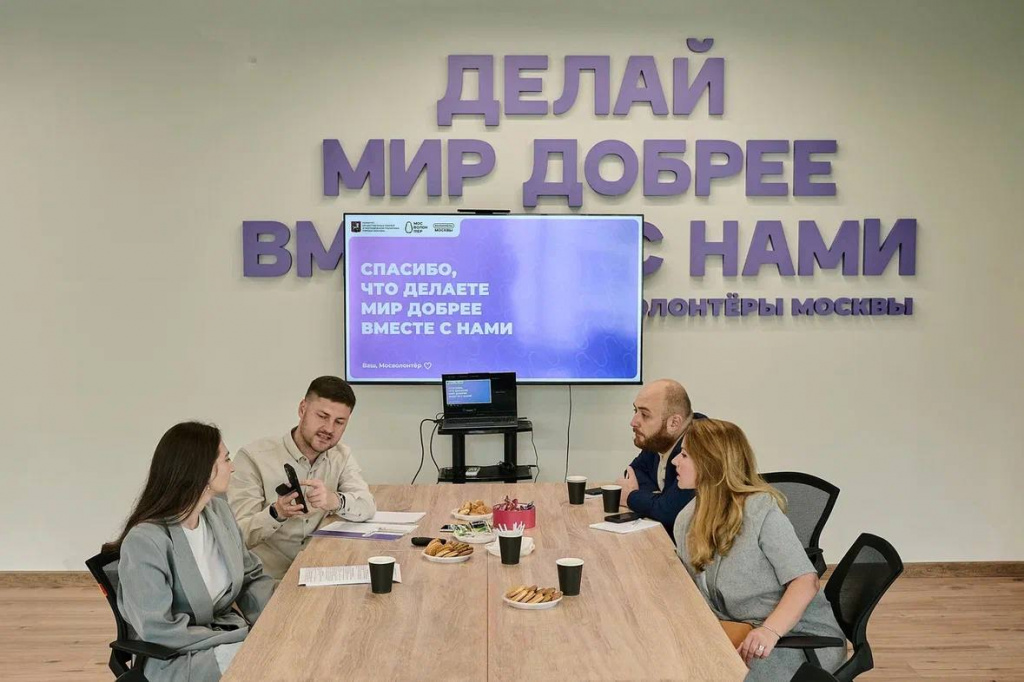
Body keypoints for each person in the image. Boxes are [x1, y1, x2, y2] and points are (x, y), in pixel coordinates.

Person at [672, 419, 846, 680]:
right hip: (737, 631)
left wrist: (769, 631)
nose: (675, 461)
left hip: (793, 638)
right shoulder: (687, 519)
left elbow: (805, 581)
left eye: (685, 455)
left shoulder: (760, 511)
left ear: (711, 463)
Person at [106, 422, 277, 682]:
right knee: (271, 663)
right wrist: (237, 637)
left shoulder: (219, 512)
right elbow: (157, 629)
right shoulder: (145, 541)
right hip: (179, 657)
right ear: (203, 470)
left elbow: (250, 575)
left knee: (289, 648)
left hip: (227, 636)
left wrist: (280, 617)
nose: (232, 467)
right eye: (226, 459)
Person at [228, 376, 376, 579]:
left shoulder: (341, 455)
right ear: (302, 409)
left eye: (339, 422)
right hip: (268, 579)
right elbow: (238, 538)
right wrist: (276, 513)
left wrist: (334, 500)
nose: (329, 429)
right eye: (322, 416)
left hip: (321, 570)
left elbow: (367, 506)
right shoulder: (253, 457)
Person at [614, 379, 701, 539]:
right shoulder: (659, 439)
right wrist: (659, 500)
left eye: (645, 415)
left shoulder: (700, 444)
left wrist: (632, 496)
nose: (633, 422)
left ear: (674, 422)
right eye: (635, 411)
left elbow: (670, 513)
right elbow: (634, 471)